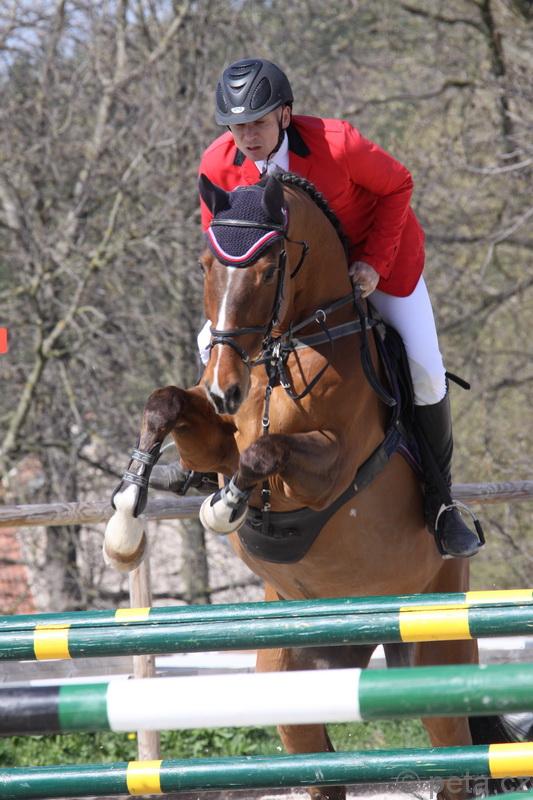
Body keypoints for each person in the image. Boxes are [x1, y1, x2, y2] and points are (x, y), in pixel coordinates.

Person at [194, 57, 482, 559]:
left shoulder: (338, 143)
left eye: (258, 123)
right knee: (210, 344)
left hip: (378, 266)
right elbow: (223, 248)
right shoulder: (217, 164)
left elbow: (399, 184)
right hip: (289, 283)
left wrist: (373, 263)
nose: (247, 137)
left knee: (427, 371)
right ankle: (209, 458)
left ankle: (440, 503)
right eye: (237, 127)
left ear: (285, 115)